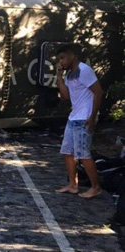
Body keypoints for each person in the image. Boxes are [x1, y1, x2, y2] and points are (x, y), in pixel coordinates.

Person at [55, 44, 103, 198]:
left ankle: (95, 187)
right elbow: (65, 96)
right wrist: (59, 77)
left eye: (62, 58)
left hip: (84, 118)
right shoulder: (69, 74)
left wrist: (93, 116)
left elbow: (98, 92)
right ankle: (73, 185)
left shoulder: (84, 70)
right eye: (59, 59)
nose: (61, 62)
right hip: (73, 118)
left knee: (83, 154)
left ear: (72, 55)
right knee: (67, 152)